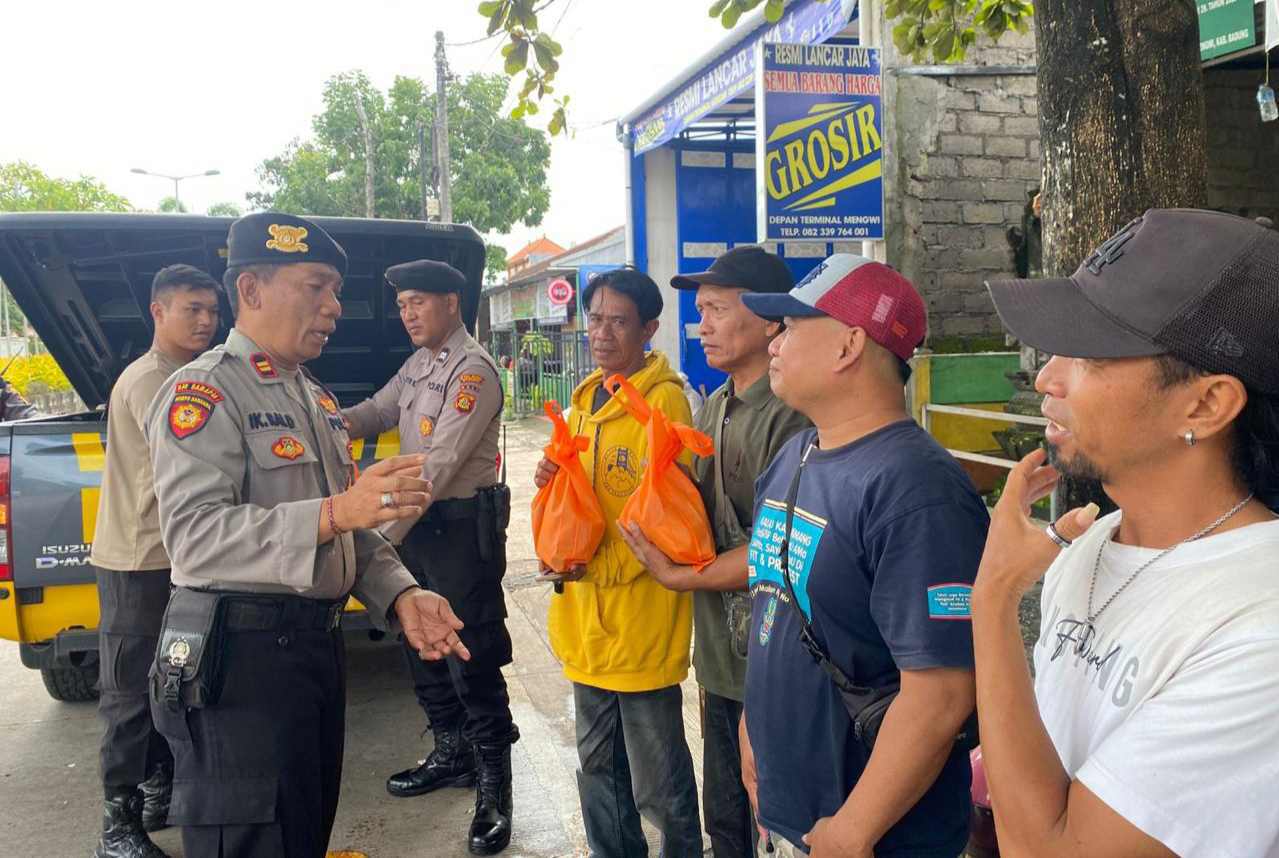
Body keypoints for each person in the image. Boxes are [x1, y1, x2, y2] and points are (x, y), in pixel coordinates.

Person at [145, 212, 470, 858]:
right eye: (316, 287)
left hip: (311, 654)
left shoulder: (312, 399)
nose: (334, 308)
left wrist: (402, 595)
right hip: (241, 666)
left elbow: (347, 524)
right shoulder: (205, 391)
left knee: (303, 833)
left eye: (336, 292)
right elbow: (195, 536)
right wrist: (337, 513)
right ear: (251, 290)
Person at [973, 209, 1279, 858]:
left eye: (1088, 355)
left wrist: (993, 597)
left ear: (1206, 404)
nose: (1046, 378)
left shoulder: (1261, 625)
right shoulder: (1091, 541)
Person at [737, 254, 988, 858]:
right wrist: (754, 724)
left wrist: (854, 829)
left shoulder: (918, 489)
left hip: (873, 835)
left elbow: (942, 692)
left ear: (849, 345)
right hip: (790, 812)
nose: (774, 342)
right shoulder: (796, 454)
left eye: (791, 326)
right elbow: (776, 607)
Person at [618, 246, 809, 858]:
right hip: (722, 658)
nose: (701, 325)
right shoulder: (717, 406)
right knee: (725, 820)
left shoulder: (791, 416)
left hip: (779, 659)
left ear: (772, 321)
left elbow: (784, 549)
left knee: (777, 822)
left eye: (717, 310)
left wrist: (682, 577)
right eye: (700, 310)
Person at [342, 259, 517, 856]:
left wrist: (379, 536)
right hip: (418, 527)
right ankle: (451, 751)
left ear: (451, 302)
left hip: (459, 530)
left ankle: (494, 785)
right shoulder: (419, 364)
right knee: (419, 643)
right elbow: (379, 409)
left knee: (470, 651)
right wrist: (328, 422)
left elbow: (439, 465)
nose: (407, 314)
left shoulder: (473, 371)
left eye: (418, 302)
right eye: (402, 305)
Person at [532, 267, 702, 858]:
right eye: (595, 319)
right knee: (597, 766)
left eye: (619, 322)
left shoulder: (664, 400)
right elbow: (583, 492)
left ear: (649, 329)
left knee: (657, 777)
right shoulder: (584, 401)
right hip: (585, 618)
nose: (602, 333)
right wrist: (552, 477)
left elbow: (673, 513)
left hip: (641, 616)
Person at [90, 264, 221, 858]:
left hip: (173, 556)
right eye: (192, 309)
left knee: (170, 682)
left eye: (211, 310)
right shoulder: (151, 382)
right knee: (128, 694)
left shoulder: (184, 376)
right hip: (139, 558)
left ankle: (157, 790)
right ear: (158, 312)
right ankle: (117, 825)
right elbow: (188, 469)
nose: (206, 320)